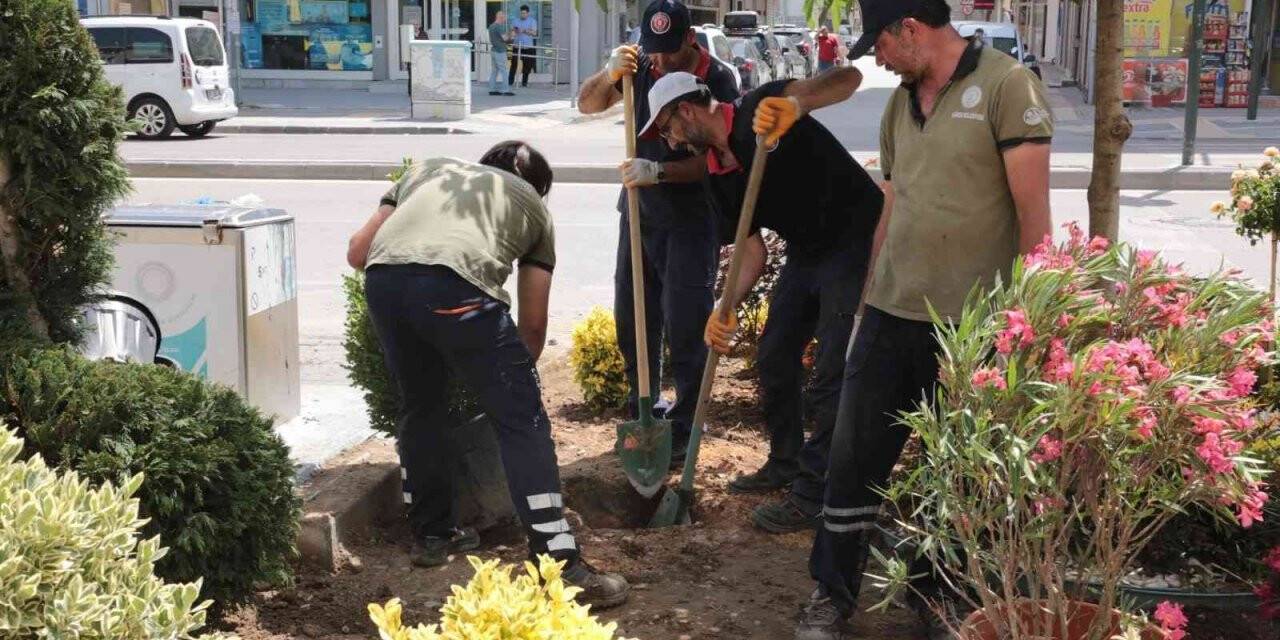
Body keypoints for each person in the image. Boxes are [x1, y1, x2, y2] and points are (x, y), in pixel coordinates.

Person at [796, 0, 1053, 638]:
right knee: (852, 461)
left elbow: (1034, 217)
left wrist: (1029, 322)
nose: (878, 60)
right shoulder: (898, 105)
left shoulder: (1007, 87)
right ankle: (831, 594)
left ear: (909, 29)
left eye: (880, 45)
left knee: (958, 472)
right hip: (891, 313)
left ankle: (941, 601)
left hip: (972, 327)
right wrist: (865, 304)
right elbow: (893, 203)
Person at [345, 141, 630, 610]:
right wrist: (510, 388)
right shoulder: (533, 207)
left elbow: (359, 252)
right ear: (537, 187)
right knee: (523, 423)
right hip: (458, 289)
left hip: (384, 285)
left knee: (421, 405)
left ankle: (433, 535)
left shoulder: (430, 169)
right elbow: (532, 327)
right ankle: (560, 566)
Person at [637, 64, 884, 536]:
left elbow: (849, 79)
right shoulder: (718, 176)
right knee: (773, 356)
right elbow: (752, 251)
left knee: (832, 370)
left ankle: (815, 494)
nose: (670, 143)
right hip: (807, 252)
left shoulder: (759, 107)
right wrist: (724, 308)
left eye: (667, 129)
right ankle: (786, 461)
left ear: (686, 111)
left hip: (856, 239)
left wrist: (796, 104)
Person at [576, 0, 739, 467]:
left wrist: (660, 172)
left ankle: (685, 424)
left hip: (691, 217)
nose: (662, 60)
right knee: (633, 316)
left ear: (690, 38)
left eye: (670, 50)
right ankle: (643, 410)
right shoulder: (642, 67)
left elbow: (718, 158)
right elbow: (587, 104)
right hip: (638, 213)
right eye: (655, 49)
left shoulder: (717, 79)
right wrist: (609, 75)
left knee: (686, 321)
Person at [509, 5, 538, 89]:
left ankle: (524, 83)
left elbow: (534, 33)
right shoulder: (515, 21)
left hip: (528, 47)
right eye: (521, 13)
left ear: (528, 13)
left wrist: (524, 30)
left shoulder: (532, 21)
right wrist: (514, 32)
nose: (522, 15)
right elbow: (512, 31)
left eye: (524, 13)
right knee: (513, 64)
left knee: (527, 66)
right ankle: (510, 82)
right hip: (517, 46)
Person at [487, 11, 514, 96]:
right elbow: (505, 39)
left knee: (494, 71)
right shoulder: (498, 27)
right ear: (501, 17)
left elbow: (497, 38)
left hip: (493, 50)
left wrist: (508, 34)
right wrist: (511, 34)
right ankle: (505, 90)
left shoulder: (491, 26)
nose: (505, 20)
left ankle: (492, 89)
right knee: (504, 71)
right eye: (504, 18)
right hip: (500, 51)